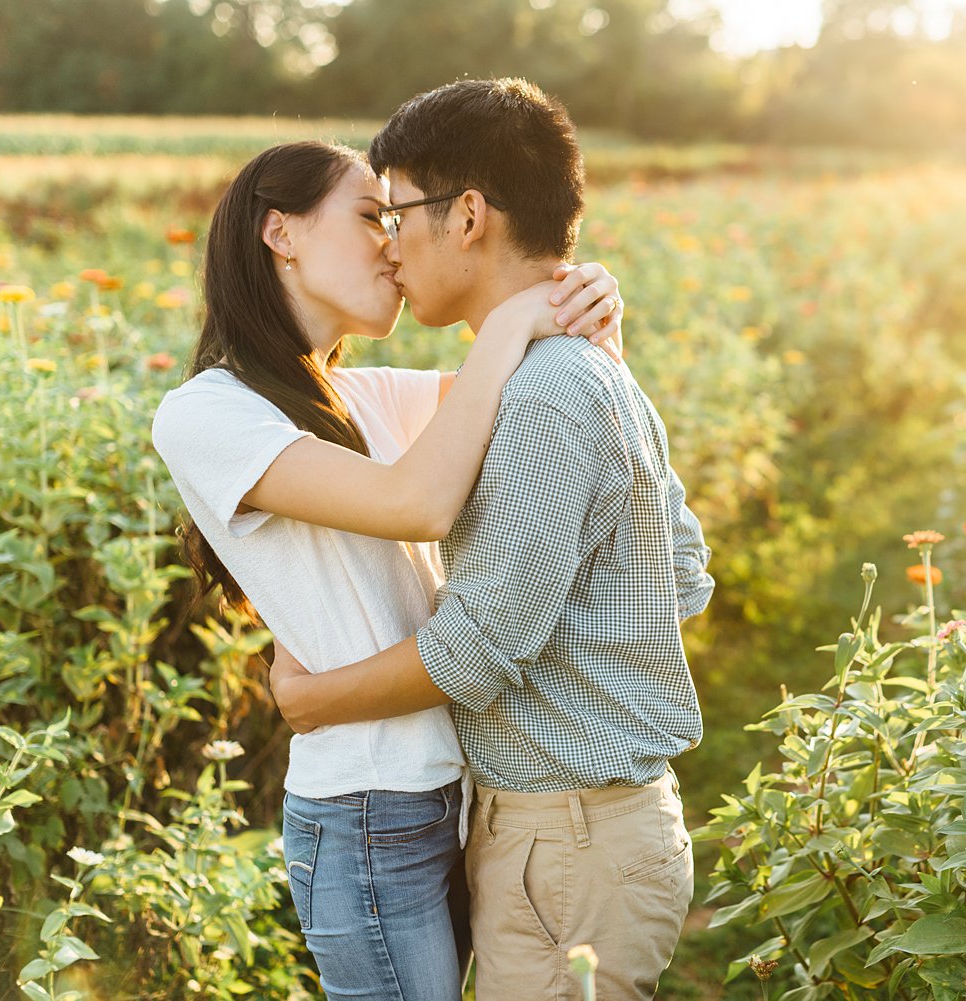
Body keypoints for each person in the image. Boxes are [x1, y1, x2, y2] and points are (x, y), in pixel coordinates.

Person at [150, 138, 627, 1001]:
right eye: (370, 217)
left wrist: (589, 309)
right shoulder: (205, 413)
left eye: (396, 218)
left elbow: (544, 401)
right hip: (367, 808)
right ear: (280, 233)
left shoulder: (360, 395)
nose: (392, 242)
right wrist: (518, 316)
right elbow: (419, 502)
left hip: (451, 791)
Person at [268, 79, 713, 1000]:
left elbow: (478, 648)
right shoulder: (587, 370)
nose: (389, 248)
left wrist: (312, 698)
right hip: (587, 829)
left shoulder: (547, 396)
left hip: (567, 839)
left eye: (395, 216)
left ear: (467, 215)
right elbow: (686, 575)